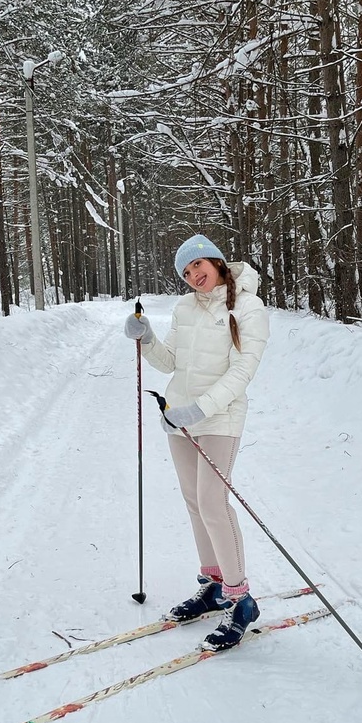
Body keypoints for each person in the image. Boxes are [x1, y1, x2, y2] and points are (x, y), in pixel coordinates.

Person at [124, 233, 270, 651]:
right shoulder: (185, 307)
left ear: (216, 261)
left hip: (218, 417)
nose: (193, 276)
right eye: (186, 273)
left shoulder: (248, 306)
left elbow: (244, 370)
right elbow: (171, 362)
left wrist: (201, 408)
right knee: (194, 501)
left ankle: (241, 600)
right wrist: (146, 337)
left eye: (197, 266)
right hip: (180, 417)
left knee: (212, 502)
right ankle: (214, 586)